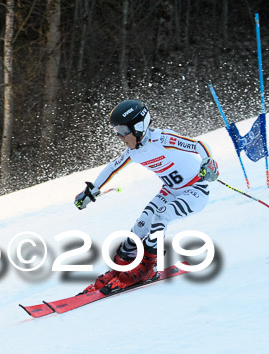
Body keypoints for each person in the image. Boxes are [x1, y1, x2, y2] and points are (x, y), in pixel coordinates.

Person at [74, 99, 220, 293]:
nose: (120, 136)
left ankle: (145, 270)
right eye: (116, 131)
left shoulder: (163, 139)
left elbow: (198, 145)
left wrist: (208, 162)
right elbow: (112, 168)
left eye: (123, 130)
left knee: (161, 216)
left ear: (139, 127)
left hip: (195, 190)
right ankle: (120, 270)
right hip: (170, 189)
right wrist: (90, 191)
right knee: (141, 224)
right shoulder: (134, 152)